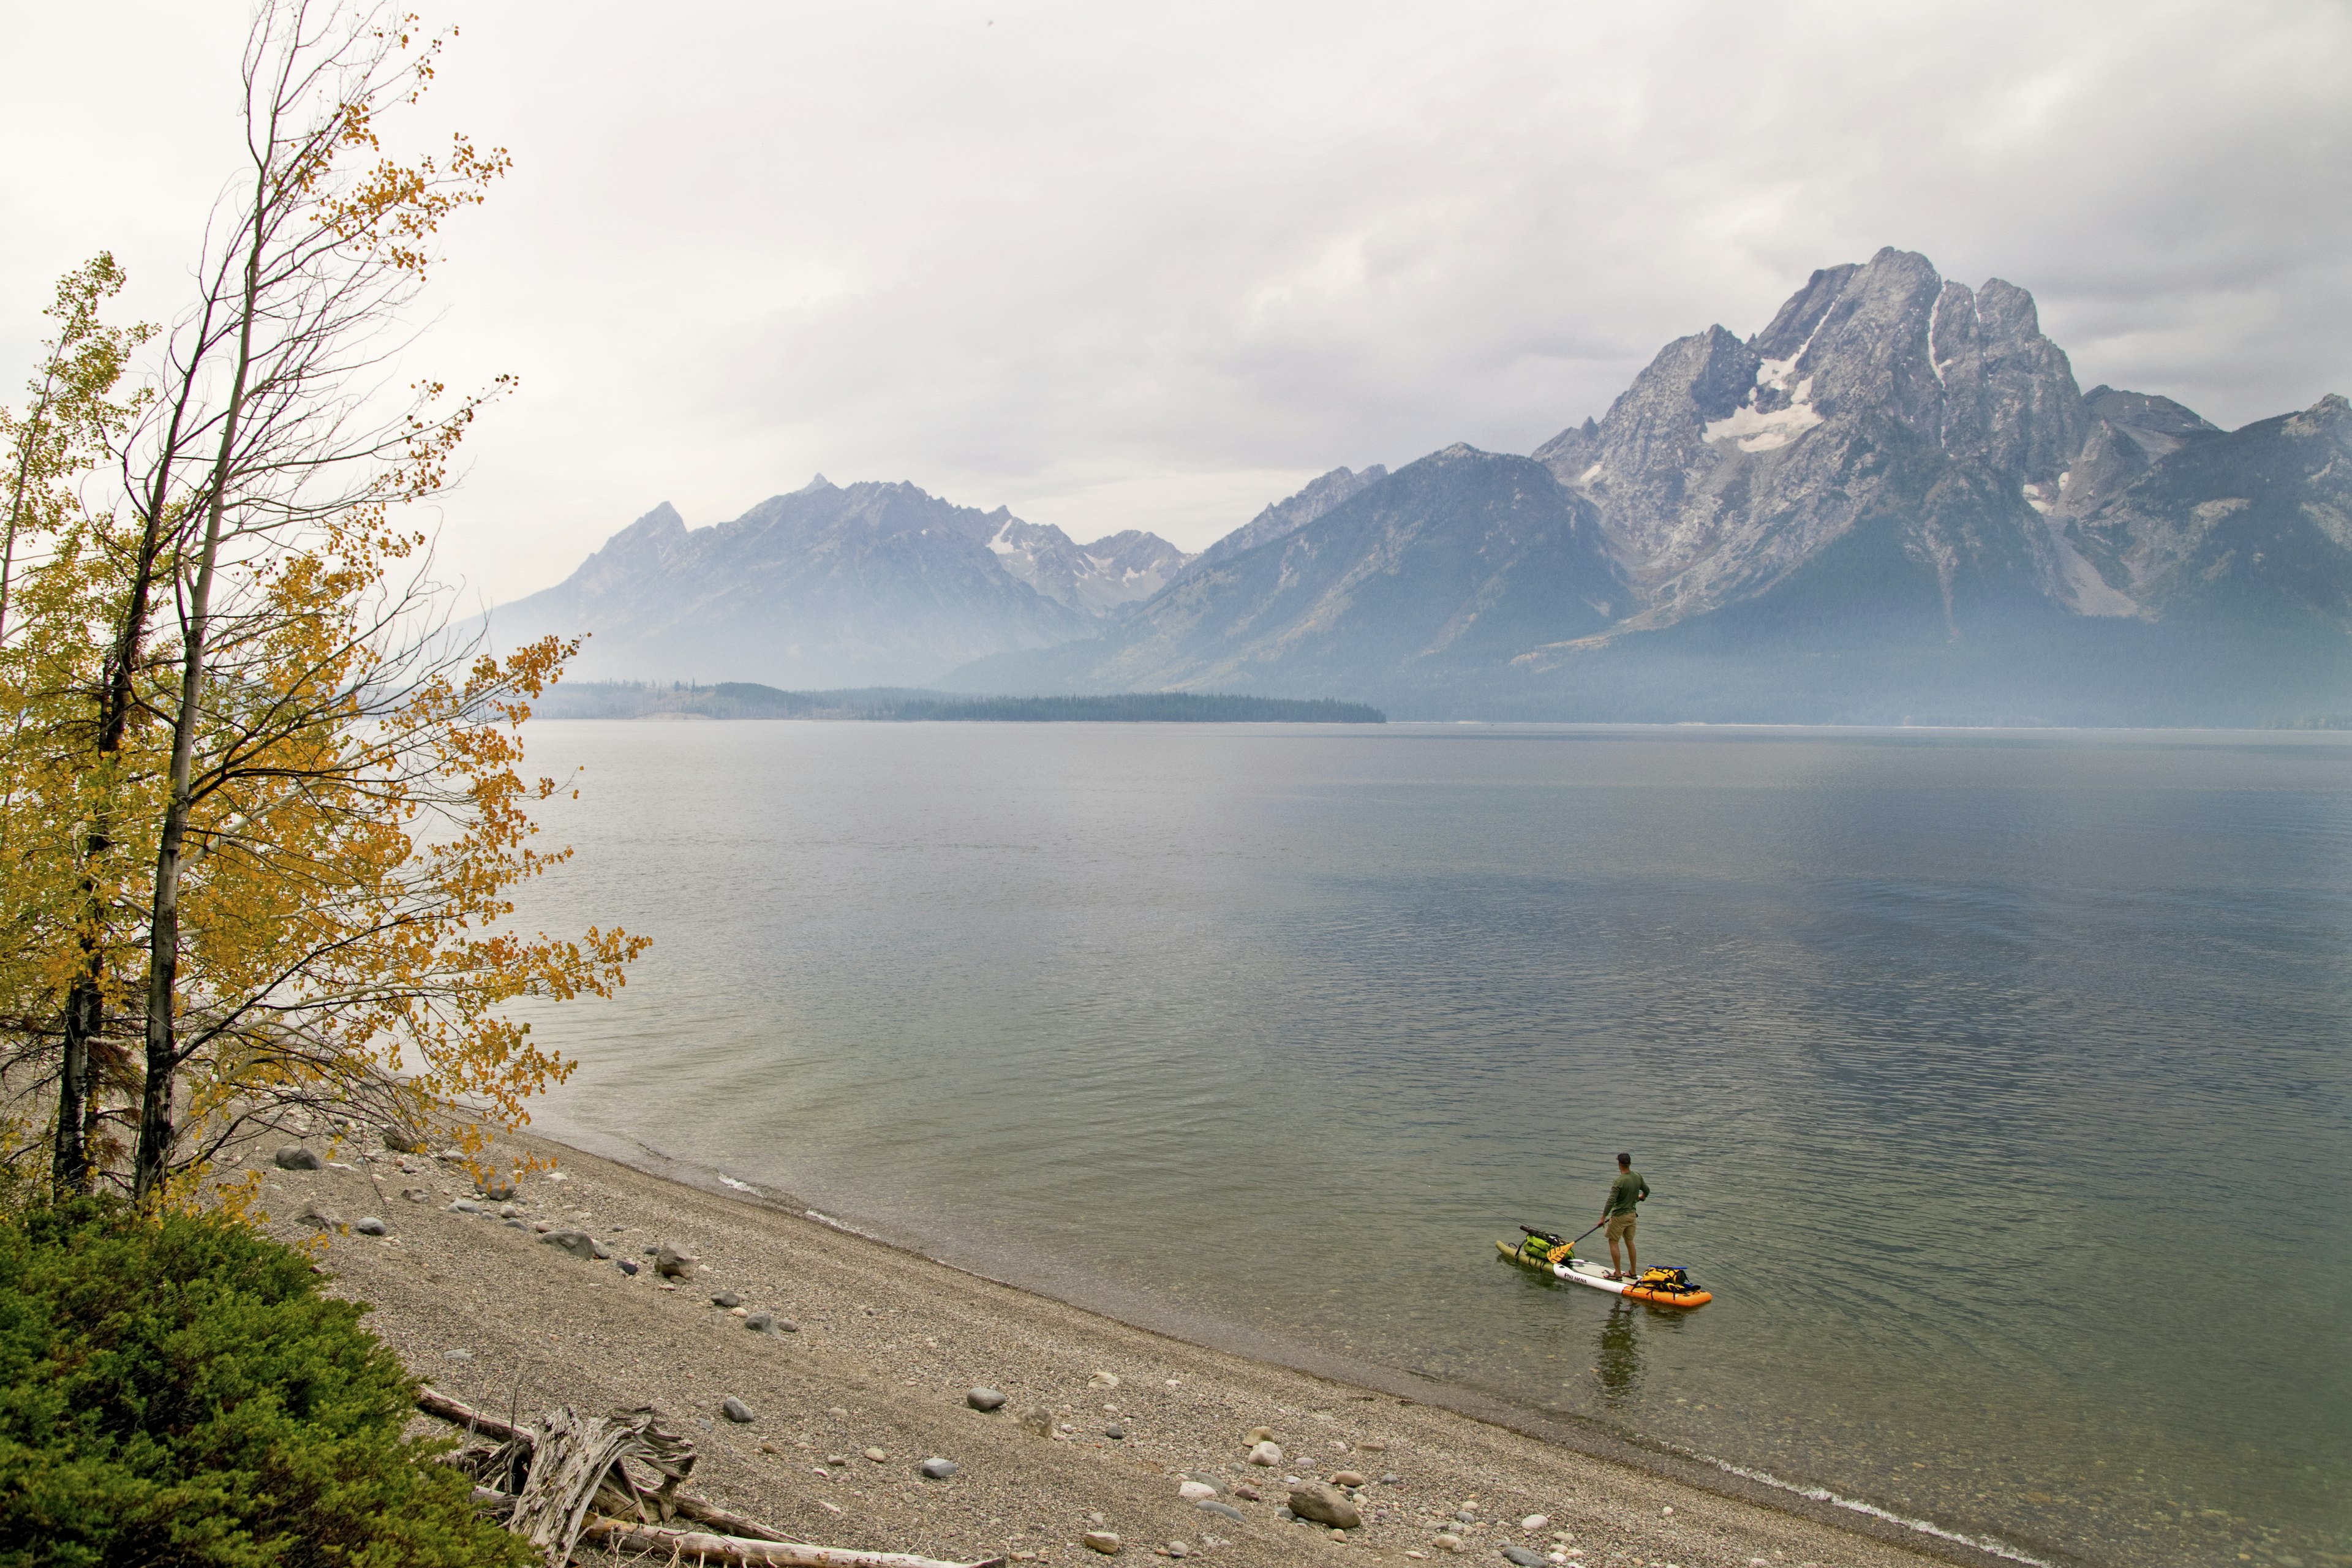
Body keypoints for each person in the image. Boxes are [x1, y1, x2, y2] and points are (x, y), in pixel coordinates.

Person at [1600, 1153, 1649, 1280]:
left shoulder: (1619, 1181)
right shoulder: (1637, 1177)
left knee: (1613, 1242)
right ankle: (1633, 1272)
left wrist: (1603, 1218)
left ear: (1620, 1164)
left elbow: (1611, 1201)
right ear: (1629, 1164)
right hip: (1632, 1216)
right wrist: (1641, 1197)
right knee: (1630, 1243)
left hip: (1619, 1217)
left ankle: (1617, 1274)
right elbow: (1647, 1190)